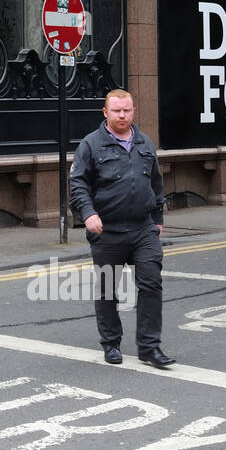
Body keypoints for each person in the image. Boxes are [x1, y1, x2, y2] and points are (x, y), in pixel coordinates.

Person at [68, 88, 175, 369]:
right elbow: (78, 185)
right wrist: (88, 214)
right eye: (116, 110)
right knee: (107, 289)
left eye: (127, 110)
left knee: (151, 283)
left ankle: (150, 348)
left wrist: (158, 218)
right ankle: (111, 342)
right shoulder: (91, 145)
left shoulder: (144, 143)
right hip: (107, 231)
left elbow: (155, 183)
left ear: (133, 111)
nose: (122, 115)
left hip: (142, 228)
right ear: (105, 112)